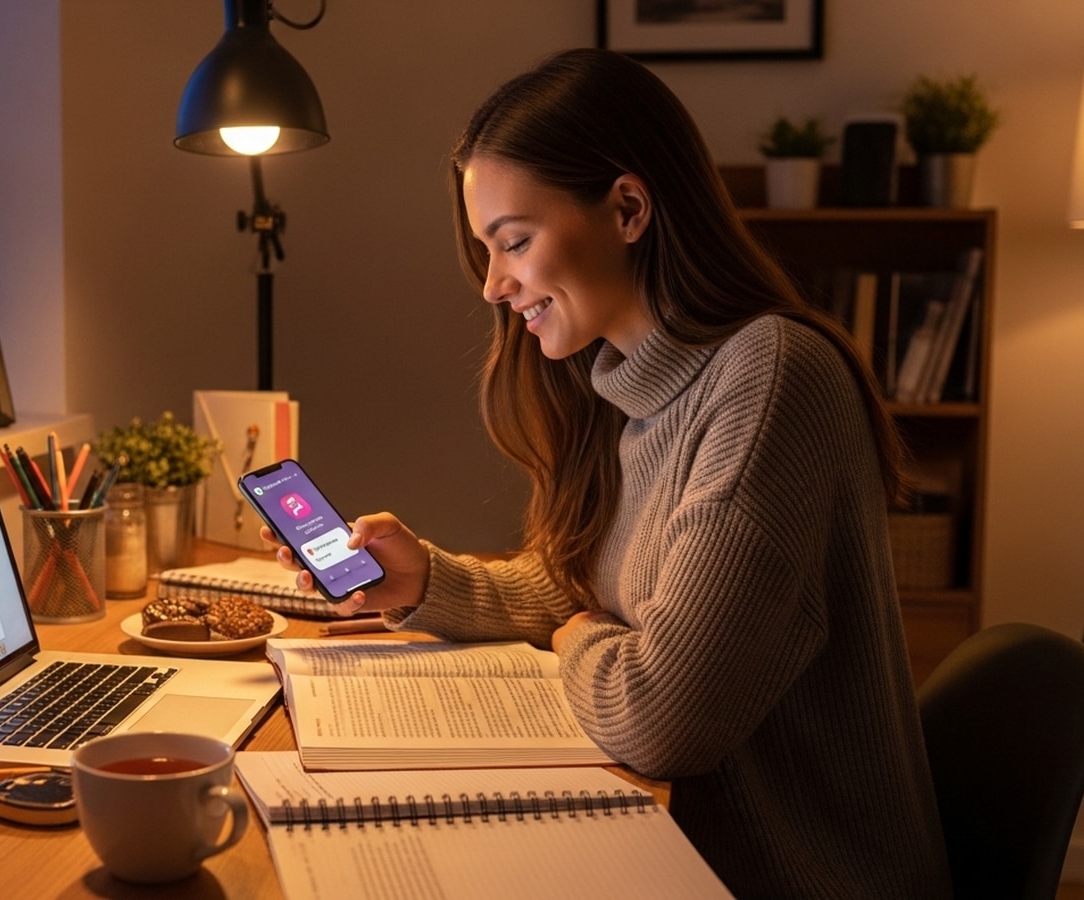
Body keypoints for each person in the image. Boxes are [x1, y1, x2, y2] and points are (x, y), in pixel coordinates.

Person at [265, 48, 955, 898]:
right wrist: (429, 581)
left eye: (513, 242)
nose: (492, 285)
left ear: (628, 208)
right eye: (488, 250)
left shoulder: (770, 379)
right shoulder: (626, 390)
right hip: (677, 848)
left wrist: (580, 639)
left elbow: (666, 717)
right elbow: (585, 589)